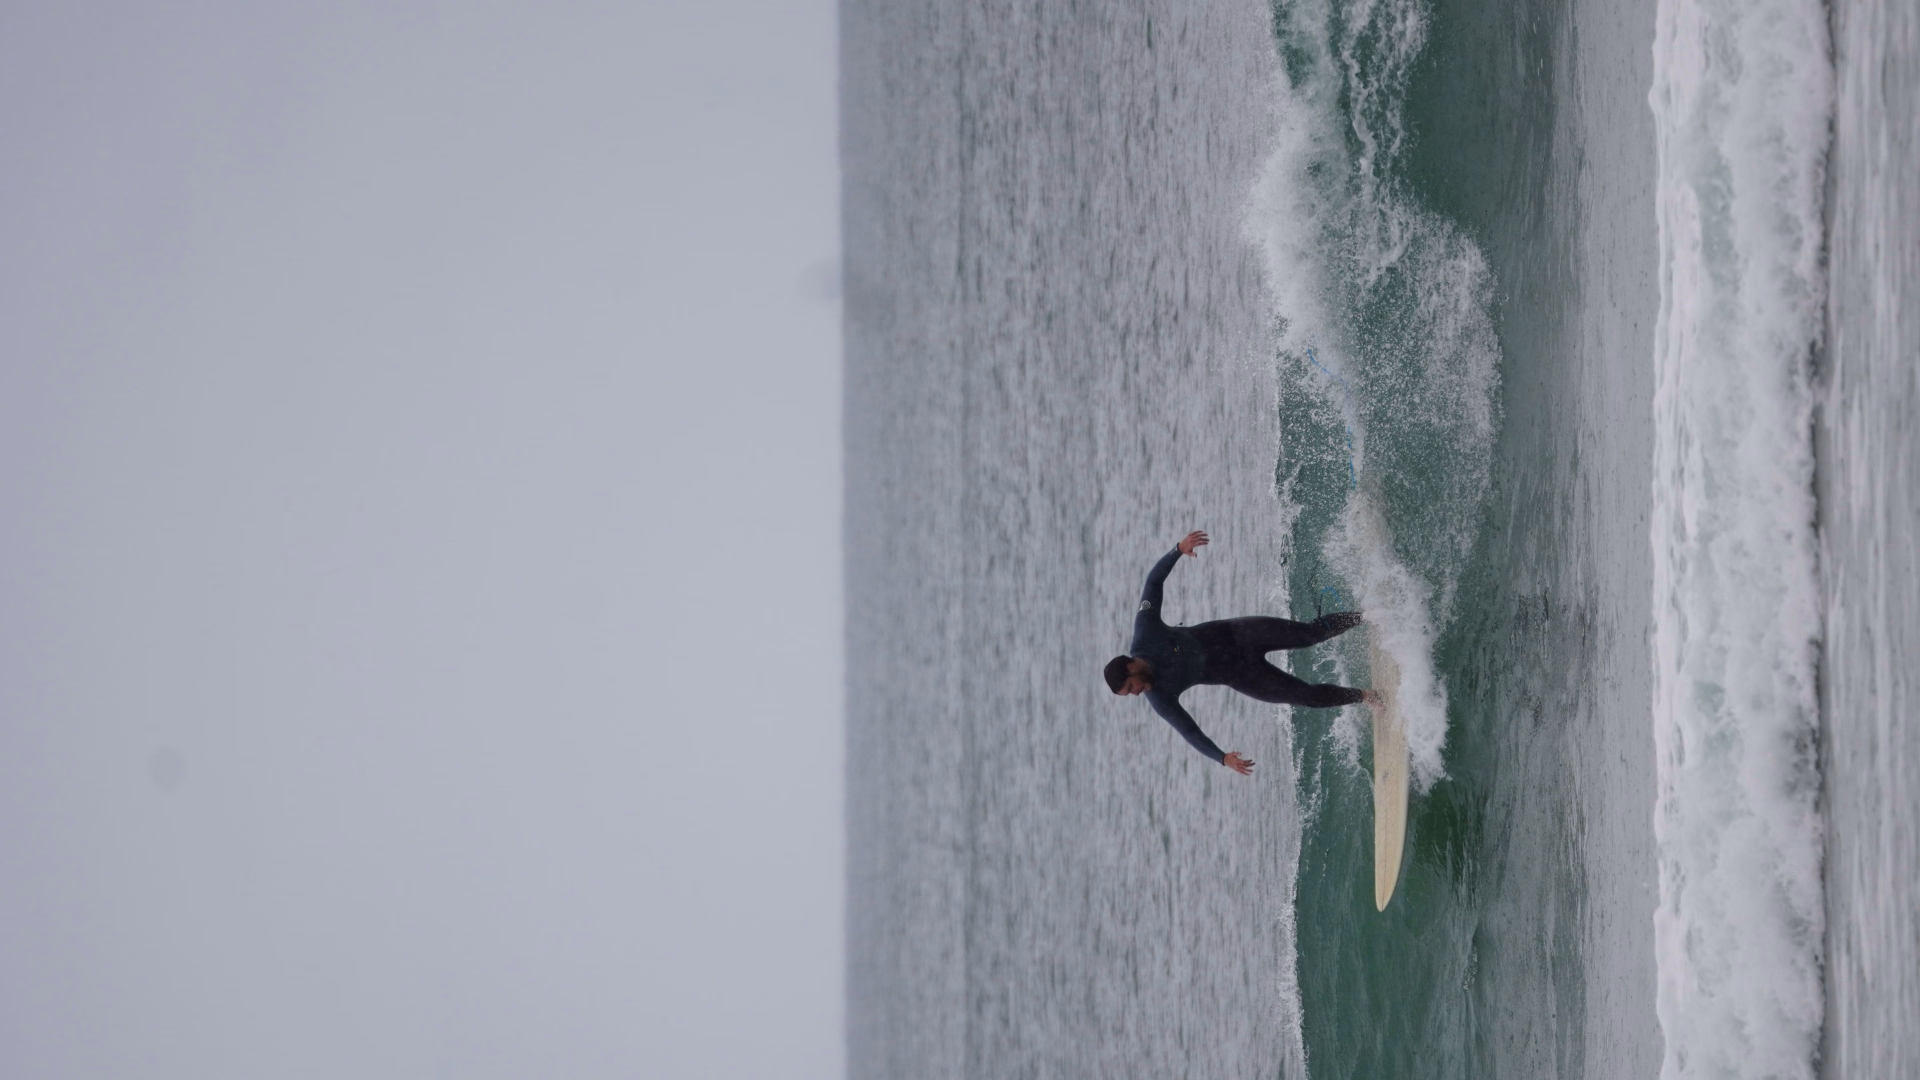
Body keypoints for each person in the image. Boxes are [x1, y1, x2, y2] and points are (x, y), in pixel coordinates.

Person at [1105, 531, 1378, 775]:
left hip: (1240, 634)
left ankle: (1369, 616)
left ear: (1131, 667)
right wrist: (1221, 758)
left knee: (1310, 634)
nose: (1136, 694)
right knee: (1306, 697)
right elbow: (1189, 731)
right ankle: (1365, 696)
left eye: (1130, 687)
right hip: (1242, 675)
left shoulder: (1145, 633)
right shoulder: (1159, 697)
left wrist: (1178, 549)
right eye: (1129, 693)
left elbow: (1152, 584)